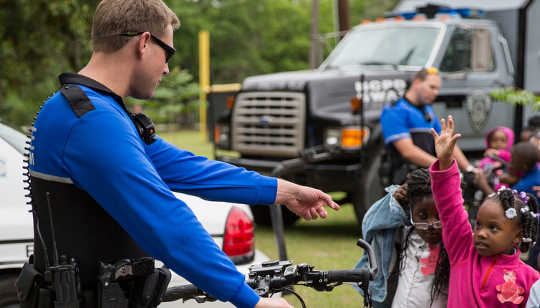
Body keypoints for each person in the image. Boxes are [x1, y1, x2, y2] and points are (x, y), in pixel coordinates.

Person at [20, 1, 340, 308]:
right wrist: (250, 300)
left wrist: (284, 191)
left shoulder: (81, 108)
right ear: (144, 43)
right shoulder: (92, 122)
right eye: (167, 52)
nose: (168, 68)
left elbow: (187, 168)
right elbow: (166, 221)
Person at [430, 115, 540, 308]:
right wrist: (446, 162)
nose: (480, 233)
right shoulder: (463, 250)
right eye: (478, 224)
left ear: (517, 235)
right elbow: (450, 207)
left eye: (493, 228)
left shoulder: (531, 279)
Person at [354, 168, 449, 307]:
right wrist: (393, 201)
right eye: (422, 216)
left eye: (438, 217)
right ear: (411, 211)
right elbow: (372, 224)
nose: (430, 225)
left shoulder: (453, 244)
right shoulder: (405, 233)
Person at [380, 68, 475, 184]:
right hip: (404, 183)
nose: (435, 93)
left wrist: (469, 169)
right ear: (417, 83)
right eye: (432, 87)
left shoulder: (427, 110)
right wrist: (443, 168)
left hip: (427, 180)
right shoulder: (395, 111)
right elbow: (408, 151)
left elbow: (447, 142)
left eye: (437, 89)